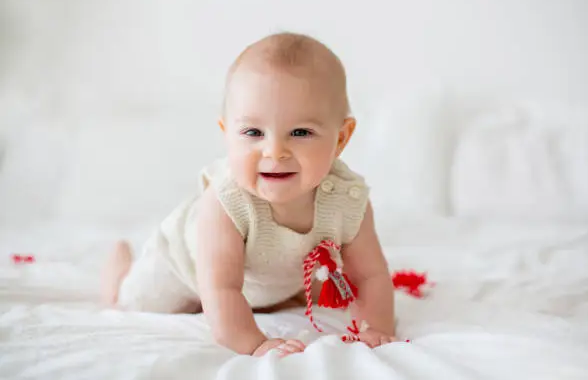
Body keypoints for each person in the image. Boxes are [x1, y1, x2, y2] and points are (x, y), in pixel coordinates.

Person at [101, 32, 396, 357]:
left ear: (341, 139)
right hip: (181, 269)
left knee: (295, 286)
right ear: (228, 134)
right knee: (136, 303)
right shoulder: (226, 202)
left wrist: (376, 327)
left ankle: (273, 294)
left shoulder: (348, 201)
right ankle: (118, 272)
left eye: (300, 132)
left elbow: (370, 275)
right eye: (253, 132)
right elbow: (220, 287)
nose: (275, 151)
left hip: (264, 280)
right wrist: (255, 344)